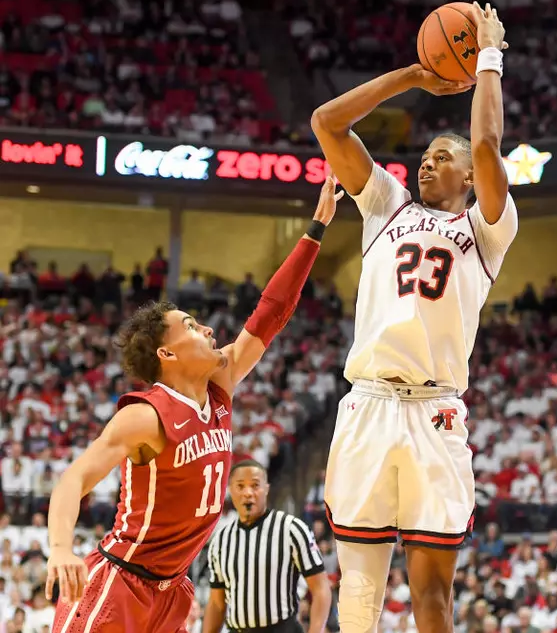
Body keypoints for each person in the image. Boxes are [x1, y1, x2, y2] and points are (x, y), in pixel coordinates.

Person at [44, 178, 346, 632]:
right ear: (167, 354)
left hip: (174, 590)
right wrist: (59, 548)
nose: (207, 330)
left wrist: (315, 230)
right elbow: (75, 478)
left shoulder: (220, 383)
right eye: (190, 326)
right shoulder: (145, 414)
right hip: (121, 581)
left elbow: (272, 311)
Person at [311, 3, 515, 633]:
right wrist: (412, 75)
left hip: (436, 411)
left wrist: (487, 59)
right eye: (423, 156)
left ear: (466, 175)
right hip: (368, 403)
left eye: (440, 157)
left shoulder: (487, 228)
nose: (427, 163)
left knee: (433, 598)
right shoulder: (386, 206)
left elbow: (484, 143)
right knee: (360, 594)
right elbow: (327, 123)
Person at [203, 460, 331, 633]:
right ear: (231, 490)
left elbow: (321, 588)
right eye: (240, 486)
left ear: (267, 489)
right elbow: (217, 604)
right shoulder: (220, 540)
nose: (248, 493)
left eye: (255, 485)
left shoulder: (291, 528)